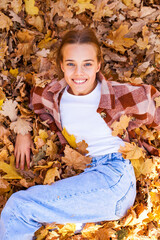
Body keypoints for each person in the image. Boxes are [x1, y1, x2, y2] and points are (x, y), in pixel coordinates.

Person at [0, 28, 160, 240]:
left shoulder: (120, 95)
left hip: (114, 177)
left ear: (98, 65)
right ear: (61, 65)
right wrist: (23, 130)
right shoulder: (52, 94)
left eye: (87, 64)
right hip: (85, 178)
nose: (78, 73)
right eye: (71, 64)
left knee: (19, 208)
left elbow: (154, 103)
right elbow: (33, 105)